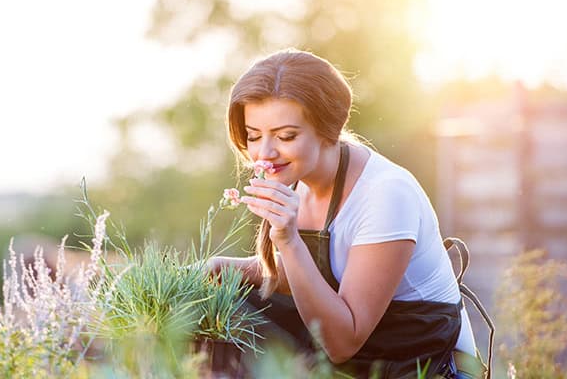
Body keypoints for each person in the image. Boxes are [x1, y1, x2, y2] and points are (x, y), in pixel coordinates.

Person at [206, 49, 487, 378]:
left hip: (423, 366)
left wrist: (287, 239)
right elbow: (314, 273)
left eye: (285, 136)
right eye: (254, 136)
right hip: (365, 360)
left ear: (327, 128)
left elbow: (342, 343)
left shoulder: (385, 194)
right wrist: (220, 268)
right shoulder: (302, 178)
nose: (264, 153)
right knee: (217, 312)